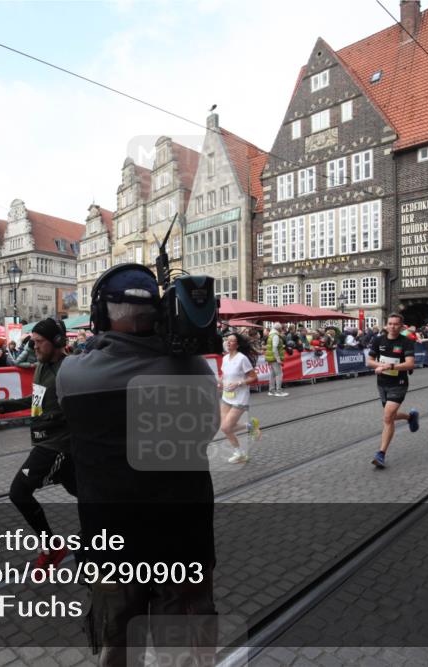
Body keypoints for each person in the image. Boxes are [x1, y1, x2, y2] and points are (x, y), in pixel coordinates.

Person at [57, 265, 218, 666]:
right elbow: (207, 430)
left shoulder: (73, 374)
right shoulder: (194, 370)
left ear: (99, 316)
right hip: (183, 541)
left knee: (116, 645)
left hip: (110, 542)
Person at [0, 318, 76, 569]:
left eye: (39, 342)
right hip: (45, 440)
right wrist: (9, 405)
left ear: (57, 342)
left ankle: (52, 547)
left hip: (57, 445)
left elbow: (79, 408)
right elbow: (37, 401)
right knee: (84, 493)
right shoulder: (41, 365)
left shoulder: (68, 370)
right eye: (32, 341)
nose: (34, 347)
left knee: (19, 492)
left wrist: (53, 418)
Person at [365, 313, 420, 468]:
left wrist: (391, 366)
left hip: (399, 382)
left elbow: (410, 364)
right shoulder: (378, 340)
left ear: (401, 326)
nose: (393, 326)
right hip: (382, 383)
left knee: (388, 417)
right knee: (391, 415)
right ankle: (410, 417)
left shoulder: (407, 342)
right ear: (386, 325)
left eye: (396, 324)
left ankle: (381, 454)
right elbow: (369, 361)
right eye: (390, 323)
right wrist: (379, 367)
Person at [218, 332, 261, 464]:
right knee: (224, 427)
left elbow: (254, 377)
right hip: (227, 396)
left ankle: (240, 453)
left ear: (237, 344)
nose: (228, 342)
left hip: (240, 398)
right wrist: (219, 383)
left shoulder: (242, 359)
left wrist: (239, 383)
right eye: (227, 340)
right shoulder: (225, 358)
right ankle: (249, 428)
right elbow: (224, 375)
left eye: (231, 341)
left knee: (226, 428)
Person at [264, 324, 286, 397]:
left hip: (271, 357)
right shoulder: (275, 336)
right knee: (279, 374)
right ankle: (278, 391)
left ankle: (271, 390)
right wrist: (278, 359)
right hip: (274, 357)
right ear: (279, 329)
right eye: (281, 328)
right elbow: (274, 348)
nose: (282, 330)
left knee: (272, 374)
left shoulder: (271, 335)